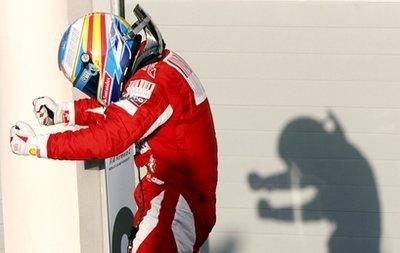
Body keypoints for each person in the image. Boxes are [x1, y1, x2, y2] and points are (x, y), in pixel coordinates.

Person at [10, 5, 218, 253]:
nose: (94, 87)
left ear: (104, 55)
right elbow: (120, 111)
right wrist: (64, 112)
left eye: (91, 78)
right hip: (170, 201)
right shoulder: (158, 66)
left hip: (173, 208)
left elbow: (109, 137)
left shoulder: (156, 83)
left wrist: (37, 145)